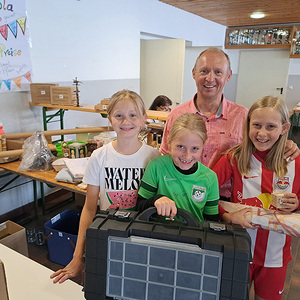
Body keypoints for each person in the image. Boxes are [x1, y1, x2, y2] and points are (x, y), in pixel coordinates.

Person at [160, 47, 300, 200]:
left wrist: (284, 144)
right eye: (204, 71)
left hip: (225, 199)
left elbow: (260, 146)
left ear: (228, 76)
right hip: (180, 195)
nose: (210, 78)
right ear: (194, 73)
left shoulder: (243, 116)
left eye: (218, 72)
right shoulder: (176, 115)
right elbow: (165, 157)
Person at [50, 89, 160, 284]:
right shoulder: (99, 156)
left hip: (142, 240)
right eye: (119, 116)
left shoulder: (153, 158)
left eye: (133, 115)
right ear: (110, 119)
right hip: (108, 236)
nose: (126, 122)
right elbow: (90, 208)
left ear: (144, 118)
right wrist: (78, 257)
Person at [213, 96, 300, 300]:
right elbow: (204, 193)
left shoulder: (295, 161)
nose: (262, 133)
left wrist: (297, 203)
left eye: (271, 126)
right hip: (239, 248)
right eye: (257, 125)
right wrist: (227, 216)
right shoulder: (233, 157)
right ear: (247, 125)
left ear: (284, 128)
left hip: (275, 255)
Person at [137, 113, 219, 222]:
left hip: (193, 236)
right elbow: (139, 206)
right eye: (180, 147)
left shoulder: (210, 178)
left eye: (195, 148)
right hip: (157, 234)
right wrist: (157, 200)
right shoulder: (156, 165)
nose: (187, 155)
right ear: (169, 143)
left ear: (203, 146)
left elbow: (212, 221)